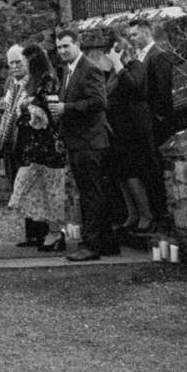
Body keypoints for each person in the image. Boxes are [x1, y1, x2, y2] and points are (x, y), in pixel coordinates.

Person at [54, 31, 117, 261]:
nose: (62, 51)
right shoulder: (68, 71)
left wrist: (66, 108)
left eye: (65, 46)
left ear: (77, 44)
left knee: (92, 194)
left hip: (91, 141)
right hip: (78, 141)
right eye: (59, 47)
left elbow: (99, 102)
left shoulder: (89, 68)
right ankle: (106, 242)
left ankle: (92, 245)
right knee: (91, 192)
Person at [7, 43, 69, 252]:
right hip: (34, 145)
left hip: (47, 145)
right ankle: (45, 232)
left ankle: (55, 233)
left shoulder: (48, 79)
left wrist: (28, 106)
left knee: (52, 190)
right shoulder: (35, 81)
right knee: (35, 188)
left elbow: (48, 112)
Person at [130, 16, 185, 226]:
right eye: (131, 35)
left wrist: (157, 118)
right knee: (146, 170)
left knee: (155, 169)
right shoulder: (140, 56)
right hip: (141, 122)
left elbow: (163, 92)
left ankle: (161, 216)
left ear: (146, 32)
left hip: (154, 123)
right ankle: (152, 213)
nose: (132, 38)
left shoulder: (158, 56)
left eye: (135, 34)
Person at [106, 31, 158, 234]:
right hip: (117, 129)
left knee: (133, 173)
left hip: (134, 128)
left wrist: (118, 65)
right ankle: (132, 213)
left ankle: (146, 214)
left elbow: (135, 88)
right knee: (121, 174)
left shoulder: (136, 66)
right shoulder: (113, 73)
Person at [0, 45, 40, 246]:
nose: (14, 66)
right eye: (10, 63)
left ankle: (40, 233)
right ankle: (31, 234)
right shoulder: (10, 82)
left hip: (28, 141)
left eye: (18, 62)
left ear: (27, 62)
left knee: (31, 187)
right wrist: (1, 107)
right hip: (11, 139)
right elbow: (7, 105)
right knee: (18, 186)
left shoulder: (35, 82)